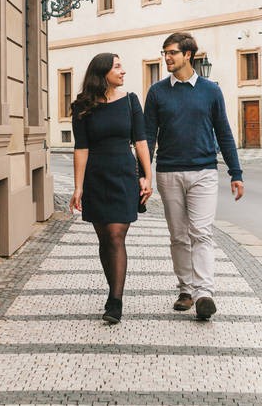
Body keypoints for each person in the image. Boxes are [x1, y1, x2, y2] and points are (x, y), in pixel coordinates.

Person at [144, 32, 244, 321]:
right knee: (178, 236)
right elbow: (148, 136)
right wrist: (145, 175)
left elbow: (223, 132)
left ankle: (204, 293)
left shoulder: (211, 90)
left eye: (172, 52)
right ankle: (185, 290)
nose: (167, 58)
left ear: (188, 55)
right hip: (169, 171)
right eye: (165, 53)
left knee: (201, 232)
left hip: (204, 171)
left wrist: (235, 173)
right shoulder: (157, 92)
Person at [69, 53, 153, 324]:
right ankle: (112, 290)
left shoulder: (130, 101)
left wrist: (147, 176)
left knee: (116, 234)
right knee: (105, 238)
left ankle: (115, 301)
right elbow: (81, 148)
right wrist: (78, 187)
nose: (123, 71)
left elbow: (141, 141)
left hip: (123, 174)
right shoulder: (81, 106)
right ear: (102, 72)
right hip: (96, 175)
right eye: (117, 66)